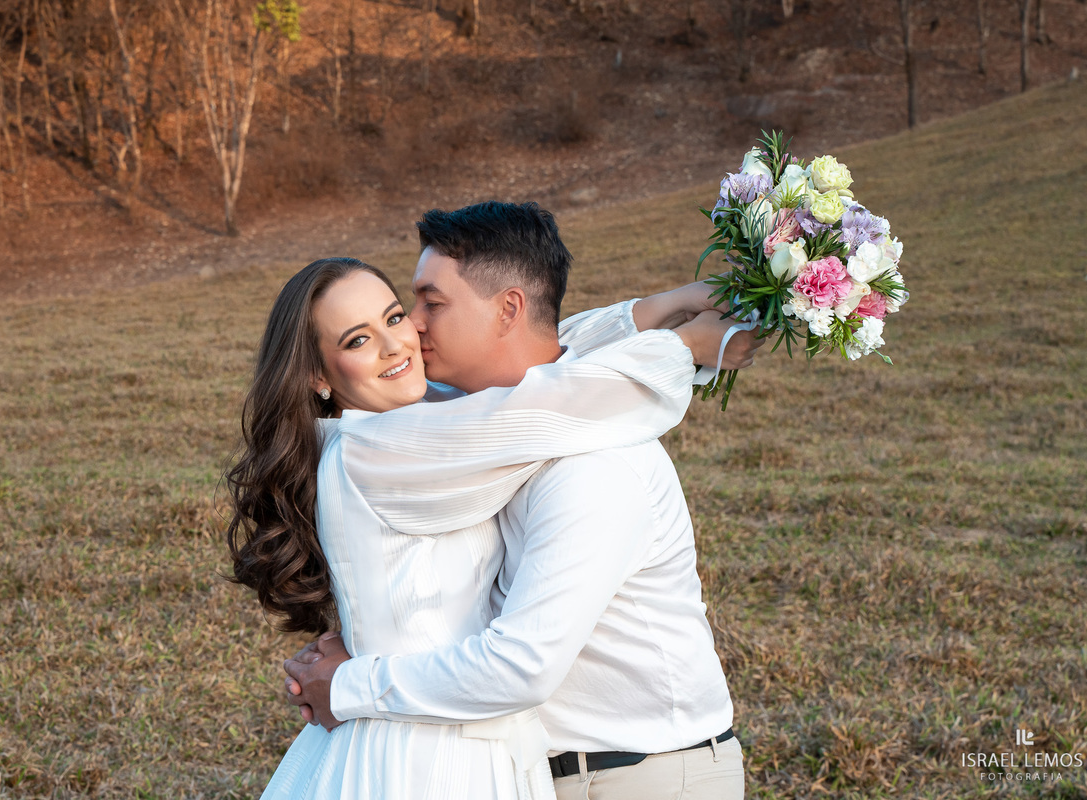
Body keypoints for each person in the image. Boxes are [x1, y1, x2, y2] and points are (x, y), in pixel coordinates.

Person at [226, 248, 756, 799]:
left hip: (454, 729)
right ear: (317, 374)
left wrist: (663, 307)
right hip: (429, 755)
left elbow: (543, 363)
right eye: (357, 340)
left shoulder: (413, 423)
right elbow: (554, 399)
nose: (400, 342)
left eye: (395, 316)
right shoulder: (386, 447)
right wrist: (685, 345)